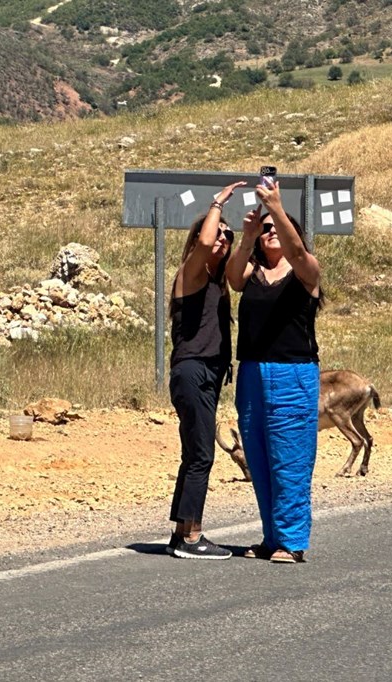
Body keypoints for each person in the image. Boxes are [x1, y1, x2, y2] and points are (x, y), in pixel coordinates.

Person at [225, 180, 322, 564]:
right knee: (261, 459)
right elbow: (233, 278)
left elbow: (298, 253)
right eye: (267, 228)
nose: (270, 233)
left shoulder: (305, 273)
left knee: (291, 459)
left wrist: (277, 209)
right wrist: (247, 236)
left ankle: (293, 541)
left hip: (293, 375)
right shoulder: (251, 273)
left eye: (277, 228)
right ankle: (271, 537)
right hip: (252, 373)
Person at [165, 181, 241, 560]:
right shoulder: (191, 273)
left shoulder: (216, 282)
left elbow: (240, 261)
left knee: (193, 454)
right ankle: (193, 537)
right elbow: (206, 242)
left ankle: (181, 532)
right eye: (219, 232)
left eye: (230, 234)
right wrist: (217, 204)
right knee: (202, 456)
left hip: (205, 375)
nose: (224, 238)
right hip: (193, 372)